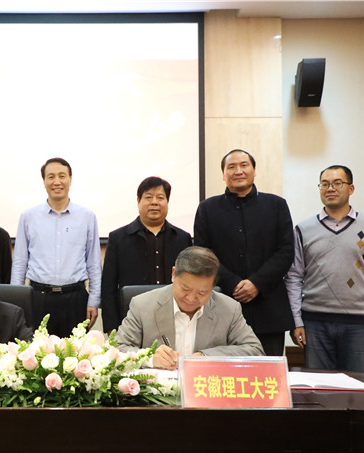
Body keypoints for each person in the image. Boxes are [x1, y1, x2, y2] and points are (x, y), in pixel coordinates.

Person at [286, 165, 364, 372]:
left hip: (360, 324)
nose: (330, 188)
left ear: (351, 188)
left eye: (337, 183)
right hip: (314, 323)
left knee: (359, 385)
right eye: (325, 184)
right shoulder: (303, 230)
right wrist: (296, 321)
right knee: (319, 385)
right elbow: (293, 278)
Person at [193, 149, 294, 356]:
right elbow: (202, 254)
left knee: (268, 370)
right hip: (223, 305)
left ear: (254, 171)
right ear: (223, 174)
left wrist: (256, 283)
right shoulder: (207, 208)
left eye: (244, 165)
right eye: (231, 167)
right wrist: (233, 283)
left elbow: (285, 251)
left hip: (269, 307)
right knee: (223, 369)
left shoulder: (276, 205)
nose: (238, 171)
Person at [116, 246, 264, 370]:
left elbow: (255, 350)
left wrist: (204, 357)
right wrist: (150, 358)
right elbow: (117, 349)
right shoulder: (143, 305)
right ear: (174, 274)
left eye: (202, 293)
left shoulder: (229, 309)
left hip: (206, 389)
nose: (192, 298)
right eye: (185, 289)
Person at [11, 157, 101, 336]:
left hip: (75, 299)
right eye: (51, 177)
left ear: (70, 179)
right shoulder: (29, 217)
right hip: (38, 298)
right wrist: (16, 302)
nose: (57, 182)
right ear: (44, 181)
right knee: (36, 351)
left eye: (62, 176)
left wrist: (94, 301)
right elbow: (20, 262)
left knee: (75, 351)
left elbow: (94, 263)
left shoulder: (87, 216)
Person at [101, 176, 192, 333]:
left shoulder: (182, 238)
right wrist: (112, 327)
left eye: (160, 198)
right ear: (138, 201)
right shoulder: (118, 238)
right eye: (148, 197)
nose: (154, 202)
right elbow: (108, 287)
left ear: (167, 202)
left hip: (174, 318)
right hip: (130, 319)